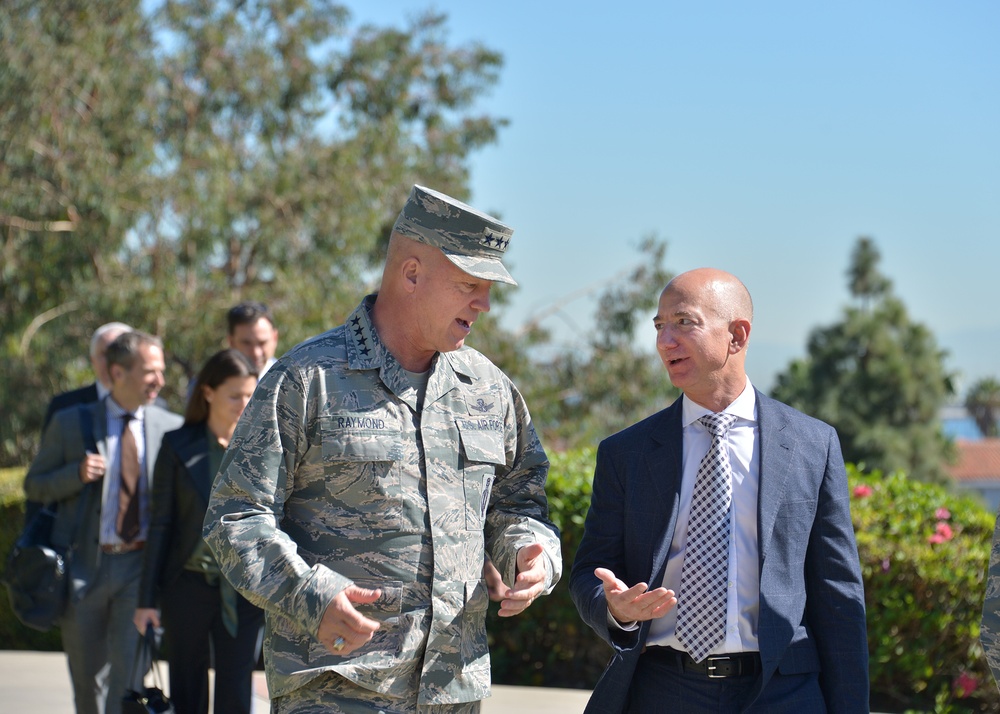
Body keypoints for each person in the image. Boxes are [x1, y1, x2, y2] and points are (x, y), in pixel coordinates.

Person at [203, 184, 562, 713]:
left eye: (488, 289)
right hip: (336, 690)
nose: (484, 304)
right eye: (469, 285)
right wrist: (310, 596)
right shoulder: (306, 380)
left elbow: (519, 504)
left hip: (453, 692)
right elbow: (235, 515)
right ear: (411, 273)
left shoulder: (490, 390)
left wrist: (531, 553)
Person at [569, 268, 869, 713]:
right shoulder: (625, 453)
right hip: (663, 690)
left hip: (782, 693)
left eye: (683, 322)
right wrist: (617, 610)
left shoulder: (812, 444)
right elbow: (590, 571)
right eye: (659, 326)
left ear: (737, 335)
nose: (664, 341)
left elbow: (838, 595)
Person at [24, 330, 183, 714]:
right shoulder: (70, 422)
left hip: (139, 571)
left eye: (161, 371)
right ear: (116, 372)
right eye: (150, 372)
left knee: (128, 682)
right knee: (87, 682)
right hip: (83, 570)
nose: (160, 381)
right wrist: (74, 475)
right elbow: (34, 486)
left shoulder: (170, 426)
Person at [134, 349, 264, 714]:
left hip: (243, 593)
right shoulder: (178, 445)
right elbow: (160, 524)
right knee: (187, 690)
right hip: (186, 589)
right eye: (235, 395)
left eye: (250, 395)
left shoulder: (262, 445)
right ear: (208, 392)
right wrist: (146, 600)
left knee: (236, 693)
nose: (244, 403)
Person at [42, 322, 133, 430]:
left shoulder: (154, 409)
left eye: (118, 353)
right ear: (93, 360)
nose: (110, 362)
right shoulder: (64, 407)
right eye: (104, 354)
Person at [227, 301, 279, 377]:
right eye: (246, 343)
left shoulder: (294, 383)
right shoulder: (216, 383)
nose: (256, 353)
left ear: (275, 338)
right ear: (231, 342)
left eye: (262, 343)